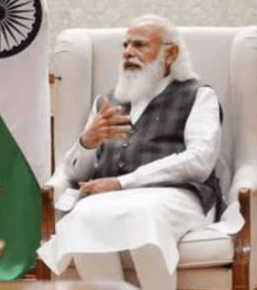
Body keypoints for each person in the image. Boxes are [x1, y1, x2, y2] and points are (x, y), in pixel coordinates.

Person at [38, 15, 223, 290]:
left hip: (178, 195)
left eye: (139, 45)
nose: (128, 52)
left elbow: (200, 162)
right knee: (84, 216)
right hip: (111, 198)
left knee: (144, 213)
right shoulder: (107, 103)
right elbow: (76, 174)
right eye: (125, 46)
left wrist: (122, 182)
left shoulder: (198, 96)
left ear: (170, 53)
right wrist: (87, 143)